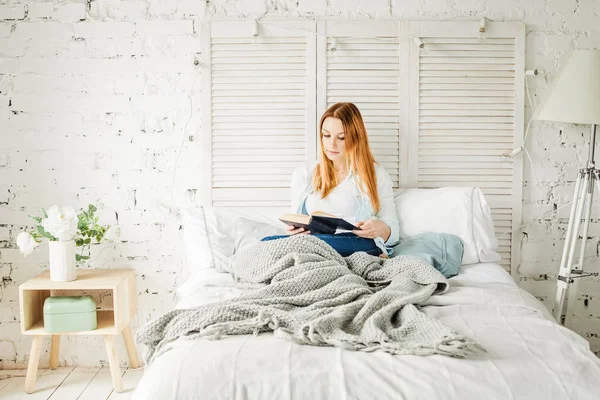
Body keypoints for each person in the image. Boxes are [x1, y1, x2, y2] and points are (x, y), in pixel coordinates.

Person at [262, 102, 400, 258]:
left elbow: (393, 234)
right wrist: (294, 231)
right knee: (265, 243)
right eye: (326, 135)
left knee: (277, 246)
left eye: (341, 137)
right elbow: (298, 220)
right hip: (314, 242)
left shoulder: (376, 175)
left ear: (356, 138)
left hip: (357, 242)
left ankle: (305, 251)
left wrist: (381, 229)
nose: (331, 144)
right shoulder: (304, 175)